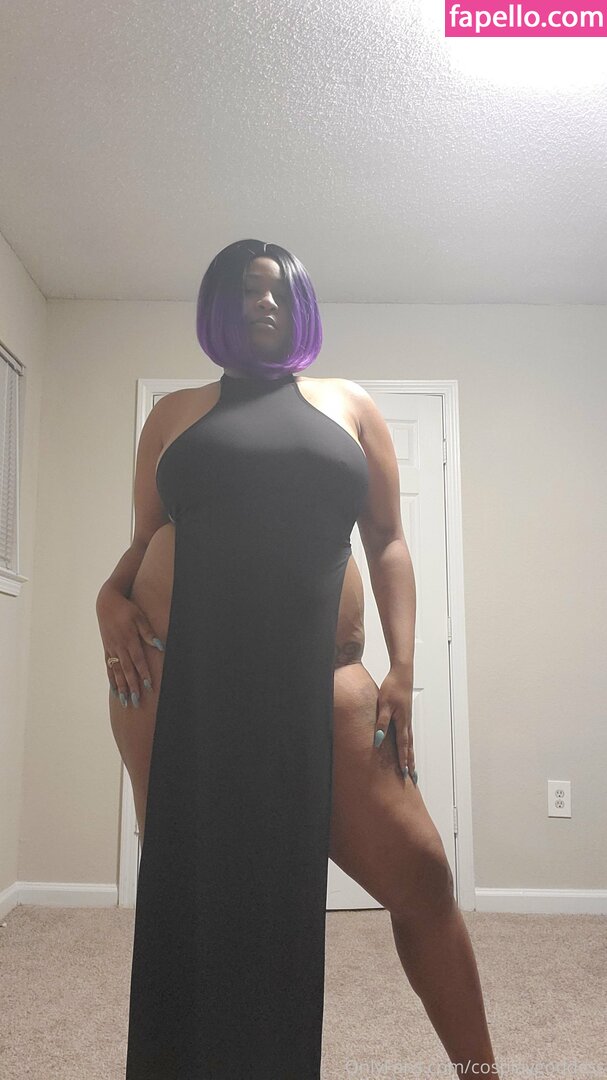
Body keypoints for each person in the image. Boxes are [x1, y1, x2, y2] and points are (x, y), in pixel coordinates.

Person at [96, 239, 501, 1079]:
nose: (264, 303)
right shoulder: (173, 415)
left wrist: (401, 667)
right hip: (178, 684)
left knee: (422, 879)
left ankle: (480, 1073)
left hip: (324, 684)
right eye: (246, 291)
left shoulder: (348, 405)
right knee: (198, 900)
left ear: (302, 306)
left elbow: (386, 540)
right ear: (219, 307)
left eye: (279, 291)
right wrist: (107, 599)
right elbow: (142, 543)